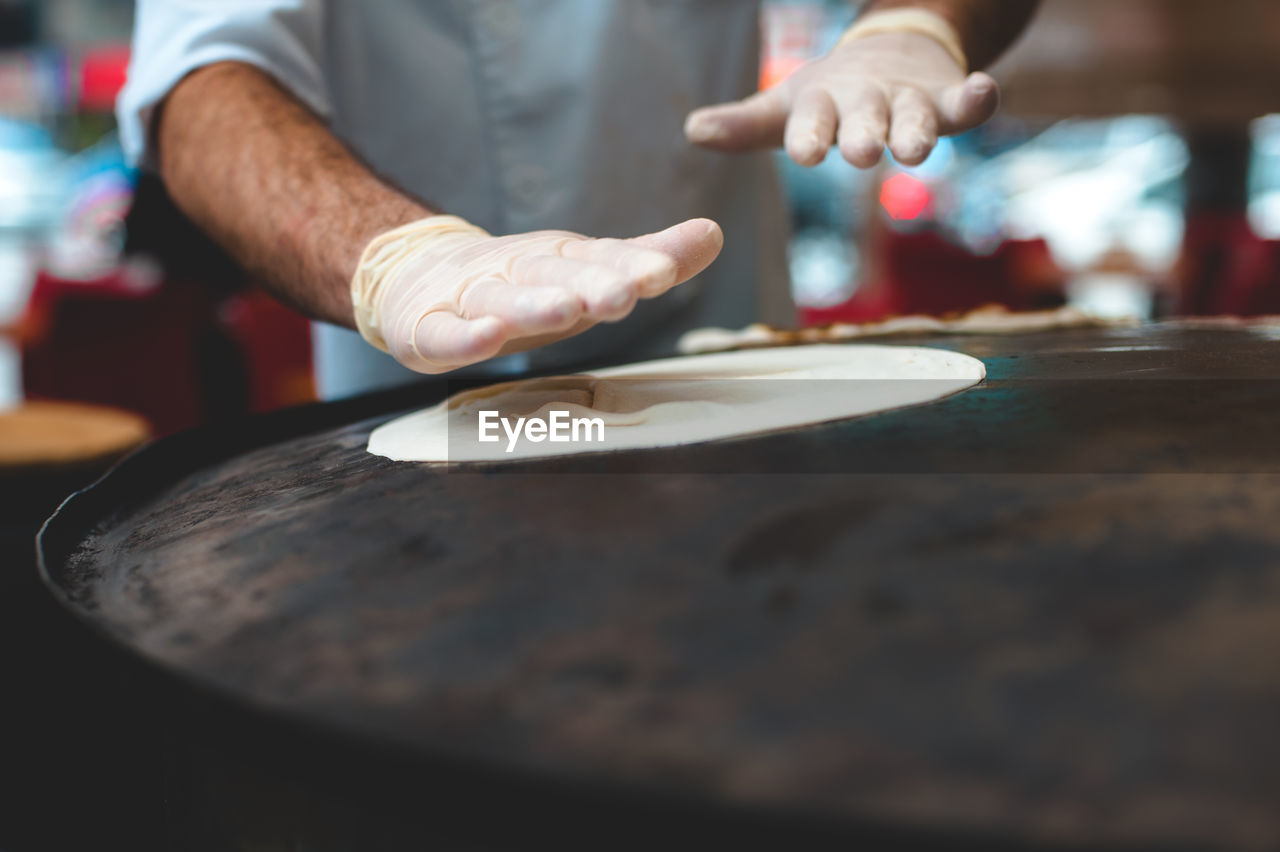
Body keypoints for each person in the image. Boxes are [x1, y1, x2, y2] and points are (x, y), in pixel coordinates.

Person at [119, 0, 1039, 396]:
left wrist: (918, 24)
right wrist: (397, 256)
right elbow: (202, 81)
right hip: (412, 373)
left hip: (718, 341)